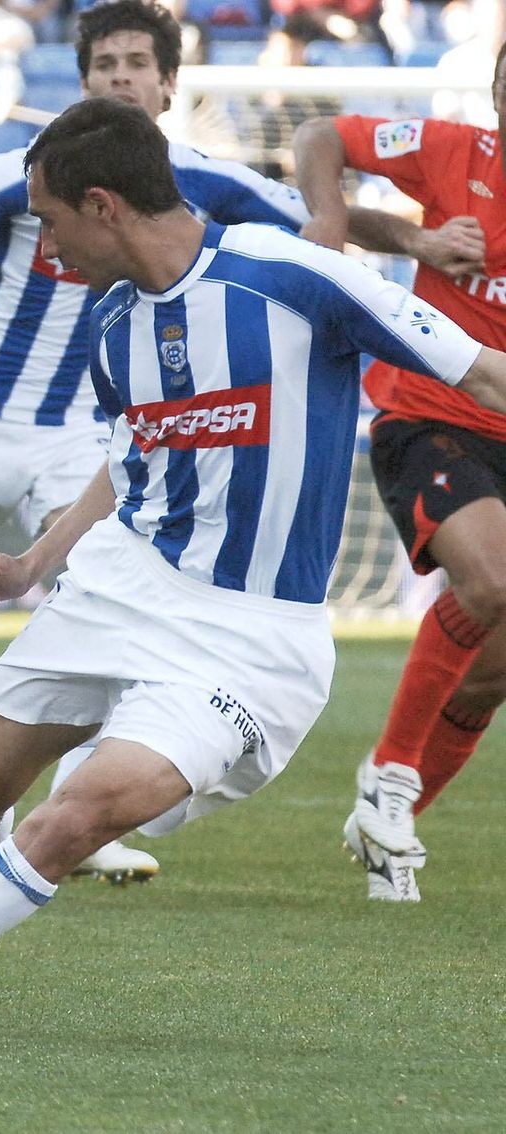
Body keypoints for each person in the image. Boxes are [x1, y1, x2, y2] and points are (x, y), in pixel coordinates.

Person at [0, 95, 506, 1057]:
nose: (44, 249)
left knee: (74, 817)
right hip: (119, 588)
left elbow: (483, 374)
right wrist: (32, 563)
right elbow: (131, 457)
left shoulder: (298, 278)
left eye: (49, 223)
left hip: (249, 642)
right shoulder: (111, 325)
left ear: (102, 206)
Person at [0, 0, 451, 881]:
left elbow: (314, 209)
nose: (119, 75)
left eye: (136, 62)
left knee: (119, 603)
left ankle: (93, 809)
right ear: (82, 82)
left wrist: (421, 242)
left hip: (85, 433)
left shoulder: (199, 180)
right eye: (103, 62)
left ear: (169, 81)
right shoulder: (32, 172)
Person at [292, 44, 506, 902]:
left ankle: (390, 808)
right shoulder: (450, 151)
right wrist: (387, 233)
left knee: (493, 668)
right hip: (433, 413)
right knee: (490, 582)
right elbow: (318, 136)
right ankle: (391, 785)